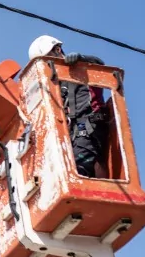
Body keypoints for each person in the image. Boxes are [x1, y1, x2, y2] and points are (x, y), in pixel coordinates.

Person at [28, 35, 108, 178]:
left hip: (88, 127)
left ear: (58, 50)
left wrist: (82, 59)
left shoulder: (81, 69)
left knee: (78, 169)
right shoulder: (55, 87)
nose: (46, 66)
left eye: (47, 60)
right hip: (71, 135)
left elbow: (100, 66)